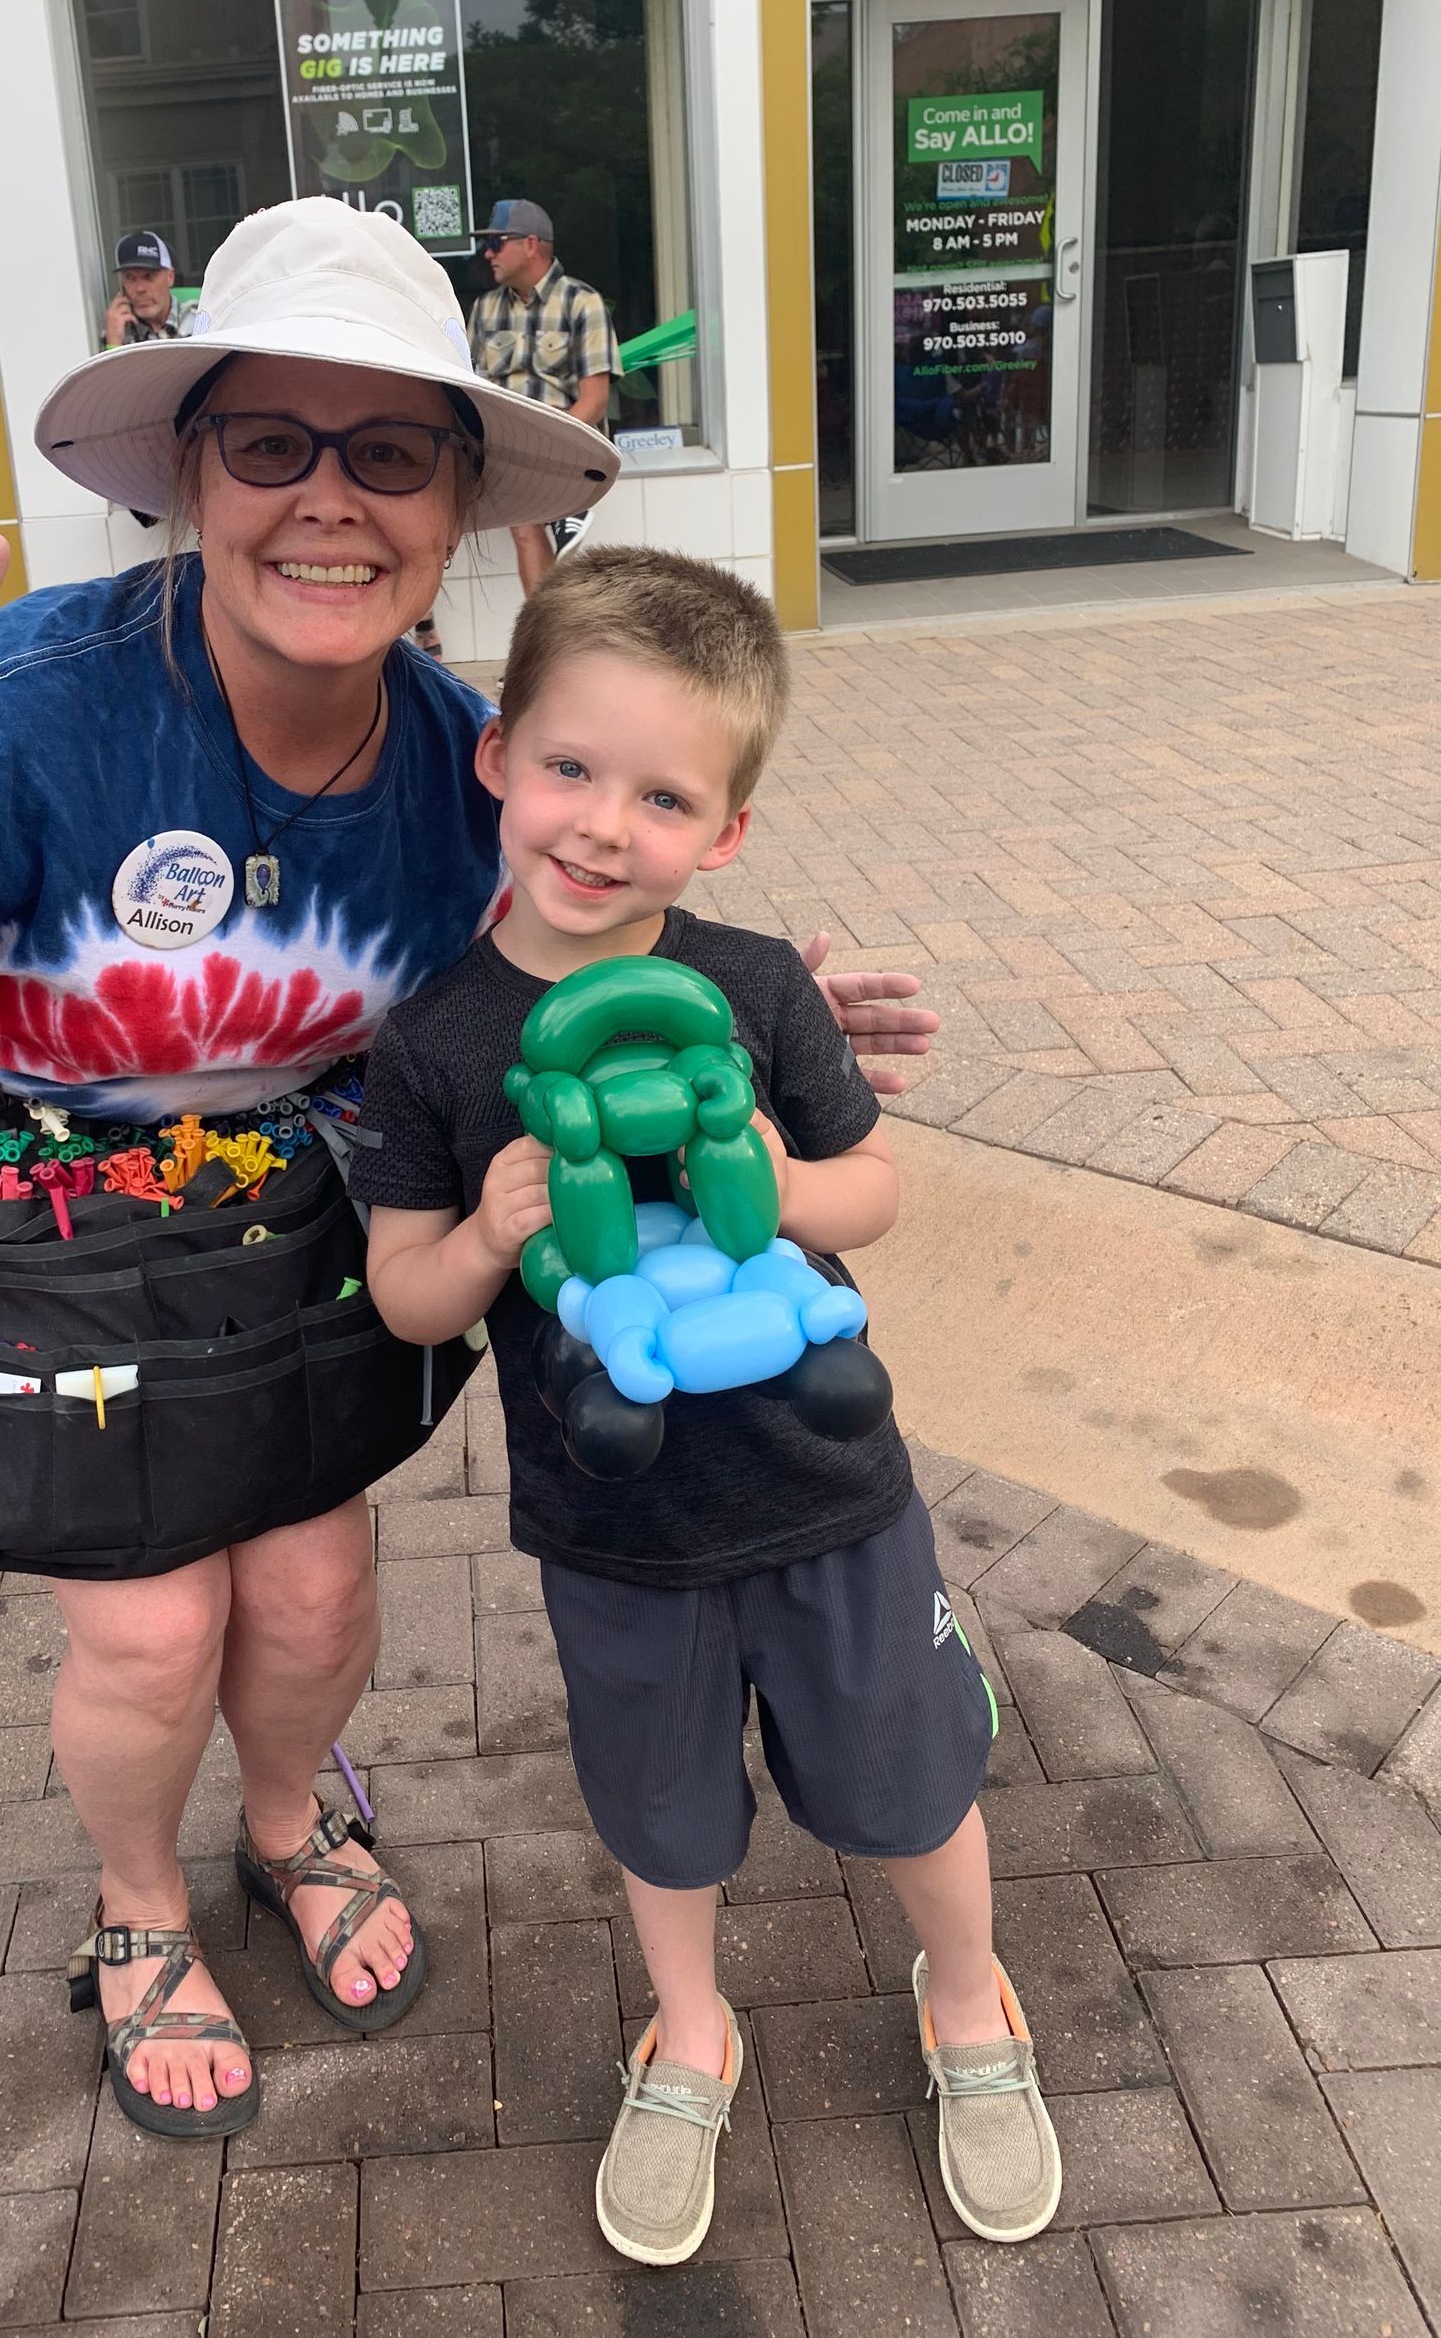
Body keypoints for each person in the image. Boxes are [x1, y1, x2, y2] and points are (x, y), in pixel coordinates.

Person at [0, 199, 937, 2151]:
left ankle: (292, 1816)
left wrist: (768, 1016)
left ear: (458, 494)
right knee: (144, 1624)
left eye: (389, 449)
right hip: (28, 1220)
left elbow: (584, 937)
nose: (327, 500)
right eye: (268, 441)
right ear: (191, 469)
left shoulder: (460, 764)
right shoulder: (13, 732)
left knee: (308, 1596)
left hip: (298, 1225)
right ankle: (137, 1904)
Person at [356, 546, 1054, 2267]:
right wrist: (489, 1230)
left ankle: (969, 2001)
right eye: (572, 768)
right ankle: (690, 2031)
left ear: (725, 830)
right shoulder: (436, 1045)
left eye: (663, 794)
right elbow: (402, 1294)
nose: (601, 824)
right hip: (619, 1523)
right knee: (659, 1808)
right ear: (497, 755)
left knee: (910, 1780)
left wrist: (766, 1177)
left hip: (831, 1491)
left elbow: (872, 1190)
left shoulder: (751, 994)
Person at [466, 199, 616, 596]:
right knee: (523, 524)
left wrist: (550, 444)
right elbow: (472, 389)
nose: (487, 253)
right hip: (510, 448)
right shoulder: (484, 310)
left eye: (496, 242)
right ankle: (549, 636)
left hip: (569, 446)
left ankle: (566, 512)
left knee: (524, 522)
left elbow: (595, 400)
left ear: (530, 244)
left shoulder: (583, 303)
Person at [102, 227, 180, 346]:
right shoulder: (118, 329)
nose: (139, 289)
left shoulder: (200, 318)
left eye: (148, 276)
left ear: (170, 277)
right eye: (130, 278)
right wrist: (113, 344)